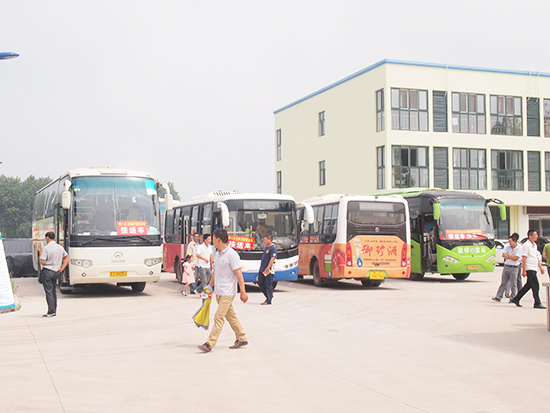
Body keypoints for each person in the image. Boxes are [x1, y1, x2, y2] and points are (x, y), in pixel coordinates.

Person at [198, 229, 249, 353]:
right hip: (219, 292)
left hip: (228, 292)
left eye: (213, 239)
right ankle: (242, 337)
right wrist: (210, 286)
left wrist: (243, 292)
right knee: (231, 316)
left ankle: (209, 343)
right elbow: (215, 272)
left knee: (218, 317)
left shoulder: (232, 255)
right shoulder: (218, 254)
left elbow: (239, 274)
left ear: (219, 239)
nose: (212, 242)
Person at [511, 229, 546, 309]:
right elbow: (524, 258)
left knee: (529, 285)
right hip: (529, 268)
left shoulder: (534, 245)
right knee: (535, 285)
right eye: (535, 235)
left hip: (534, 267)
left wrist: (540, 267)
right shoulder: (526, 245)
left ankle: (516, 299)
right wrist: (524, 270)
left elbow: (536, 257)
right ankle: (537, 302)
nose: (536, 236)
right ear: (530, 236)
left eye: (536, 235)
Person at [39, 231, 69, 317]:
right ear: (54, 238)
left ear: (47, 238)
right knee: (53, 291)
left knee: (49, 292)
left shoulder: (46, 248)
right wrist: (62, 268)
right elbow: (67, 257)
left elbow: (42, 261)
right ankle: (54, 310)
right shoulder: (60, 247)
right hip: (56, 272)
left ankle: (51, 311)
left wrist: (40, 256)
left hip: (47, 271)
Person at [492, 233, 521, 302]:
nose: (509, 243)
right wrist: (511, 256)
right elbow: (503, 255)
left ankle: (513, 298)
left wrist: (509, 255)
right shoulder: (507, 246)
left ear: (515, 241)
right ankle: (498, 297)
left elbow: (516, 258)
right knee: (503, 283)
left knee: (513, 284)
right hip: (506, 266)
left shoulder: (519, 248)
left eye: (510, 241)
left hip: (514, 267)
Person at [258, 234, 277, 305]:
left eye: (265, 240)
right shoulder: (266, 248)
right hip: (262, 269)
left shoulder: (273, 249)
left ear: (270, 240)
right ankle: (269, 295)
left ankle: (268, 300)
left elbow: (272, 259)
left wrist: (268, 268)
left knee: (268, 284)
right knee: (260, 282)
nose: (264, 241)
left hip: (268, 270)